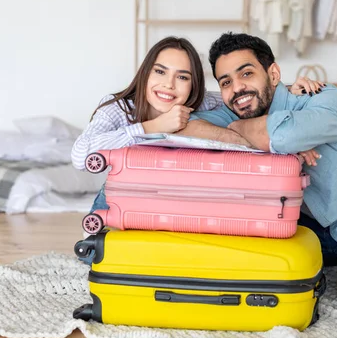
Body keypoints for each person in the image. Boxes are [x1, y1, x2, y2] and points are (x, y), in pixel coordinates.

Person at [178, 32, 337, 313]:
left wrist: (239, 130)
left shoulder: (323, 97)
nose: (237, 88)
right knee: (245, 263)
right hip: (308, 225)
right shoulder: (240, 112)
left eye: (247, 74)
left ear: (273, 73)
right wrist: (245, 132)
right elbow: (183, 125)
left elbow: (287, 137)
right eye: (226, 82)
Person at [71, 35, 323, 263]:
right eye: (160, 72)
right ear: (146, 73)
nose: (169, 85)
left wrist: (288, 91)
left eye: (182, 77)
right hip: (125, 194)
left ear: (193, 86)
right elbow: (80, 155)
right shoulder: (118, 108)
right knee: (95, 254)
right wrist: (150, 127)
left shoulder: (200, 103)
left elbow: (243, 97)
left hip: (171, 197)